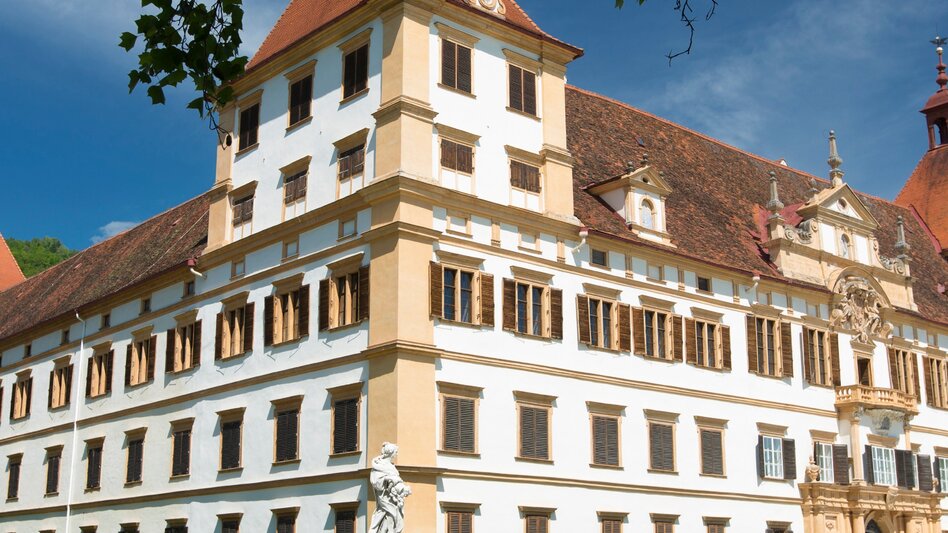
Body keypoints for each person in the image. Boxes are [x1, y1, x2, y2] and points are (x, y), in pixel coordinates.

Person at [369, 442, 412, 533]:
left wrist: (403, 489)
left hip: (394, 499)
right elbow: (375, 482)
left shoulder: (392, 467)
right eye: (396, 452)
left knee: (394, 518)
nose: (397, 454)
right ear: (391, 452)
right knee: (387, 516)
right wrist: (387, 479)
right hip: (384, 498)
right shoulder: (379, 465)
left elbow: (397, 481)